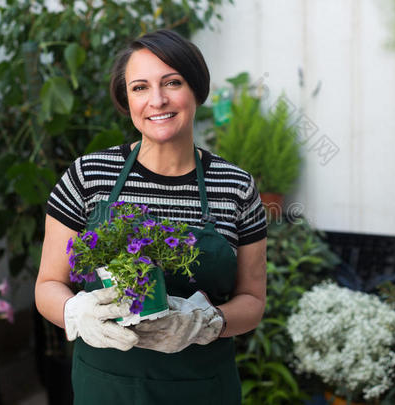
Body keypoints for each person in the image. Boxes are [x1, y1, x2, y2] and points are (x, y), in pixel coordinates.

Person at [35, 28, 267, 404]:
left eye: (172, 83)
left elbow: (253, 300)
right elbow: (47, 284)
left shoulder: (235, 186)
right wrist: (77, 313)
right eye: (140, 87)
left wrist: (205, 324)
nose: (157, 100)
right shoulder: (88, 176)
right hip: (106, 388)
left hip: (203, 389)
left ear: (196, 90)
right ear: (126, 99)